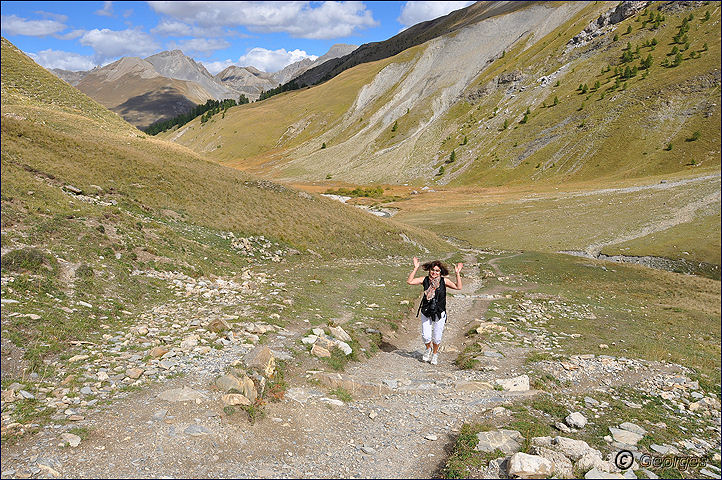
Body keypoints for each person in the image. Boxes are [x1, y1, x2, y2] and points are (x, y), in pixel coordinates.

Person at [407, 257, 462, 365]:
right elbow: (410, 281)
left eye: (437, 270)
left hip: (439, 312)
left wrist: (457, 273)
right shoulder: (425, 280)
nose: (434, 272)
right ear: (429, 270)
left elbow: (458, 287)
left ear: (440, 272)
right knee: (426, 336)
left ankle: (435, 354)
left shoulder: (444, 281)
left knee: (437, 338)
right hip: (426, 311)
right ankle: (428, 349)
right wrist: (415, 268)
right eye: (432, 270)